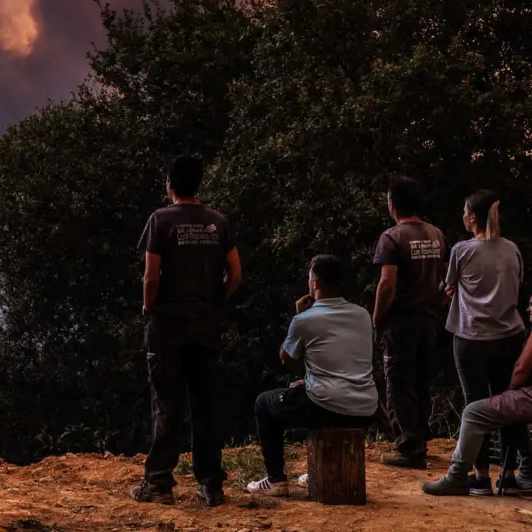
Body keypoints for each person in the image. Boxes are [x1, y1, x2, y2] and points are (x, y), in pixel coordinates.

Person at [131, 154, 242, 508]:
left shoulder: (160, 220)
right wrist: (214, 301)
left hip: (168, 326)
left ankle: (159, 484)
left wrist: (149, 307)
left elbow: (151, 276)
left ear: (169, 184)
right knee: (205, 405)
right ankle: (211, 485)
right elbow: (236, 274)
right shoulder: (217, 221)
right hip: (206, 325)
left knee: (167, 404)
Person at [423, 266, 532, 496]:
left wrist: (509, 390)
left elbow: (522, 367)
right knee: (507, 411)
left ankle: (457, 476)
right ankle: (525, 472)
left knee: (473, 412)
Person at [246, 255, 379, 496]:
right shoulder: (362, 314)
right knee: (305, 392)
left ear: (314, 283)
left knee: (263, 403)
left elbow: (286, 359)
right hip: (365, 408)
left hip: (326, 406)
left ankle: (276, 480)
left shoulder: (304, 320)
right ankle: (322, 470)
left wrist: (297, 316)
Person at [443, 190, 525, 494]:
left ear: (473, 217)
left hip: (472, 337)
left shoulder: (462, 250)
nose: (463, 215)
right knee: (507, 404)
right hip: (509, 335)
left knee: (476, 405)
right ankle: (510, 474)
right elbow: (514, 285)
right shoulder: (512, 249)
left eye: (465, 211)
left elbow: (450, 287)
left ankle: (481, 476)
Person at [372, 176, 447, 469]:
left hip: (401, 322)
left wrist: (377, 318)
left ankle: (409, 448)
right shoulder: (436, 234)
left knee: (399, 384)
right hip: (429, 319)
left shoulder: (391, 238)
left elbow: (387, 283)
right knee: (421, 381)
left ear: (392, 204)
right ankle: (420, 440)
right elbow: (444, 279)